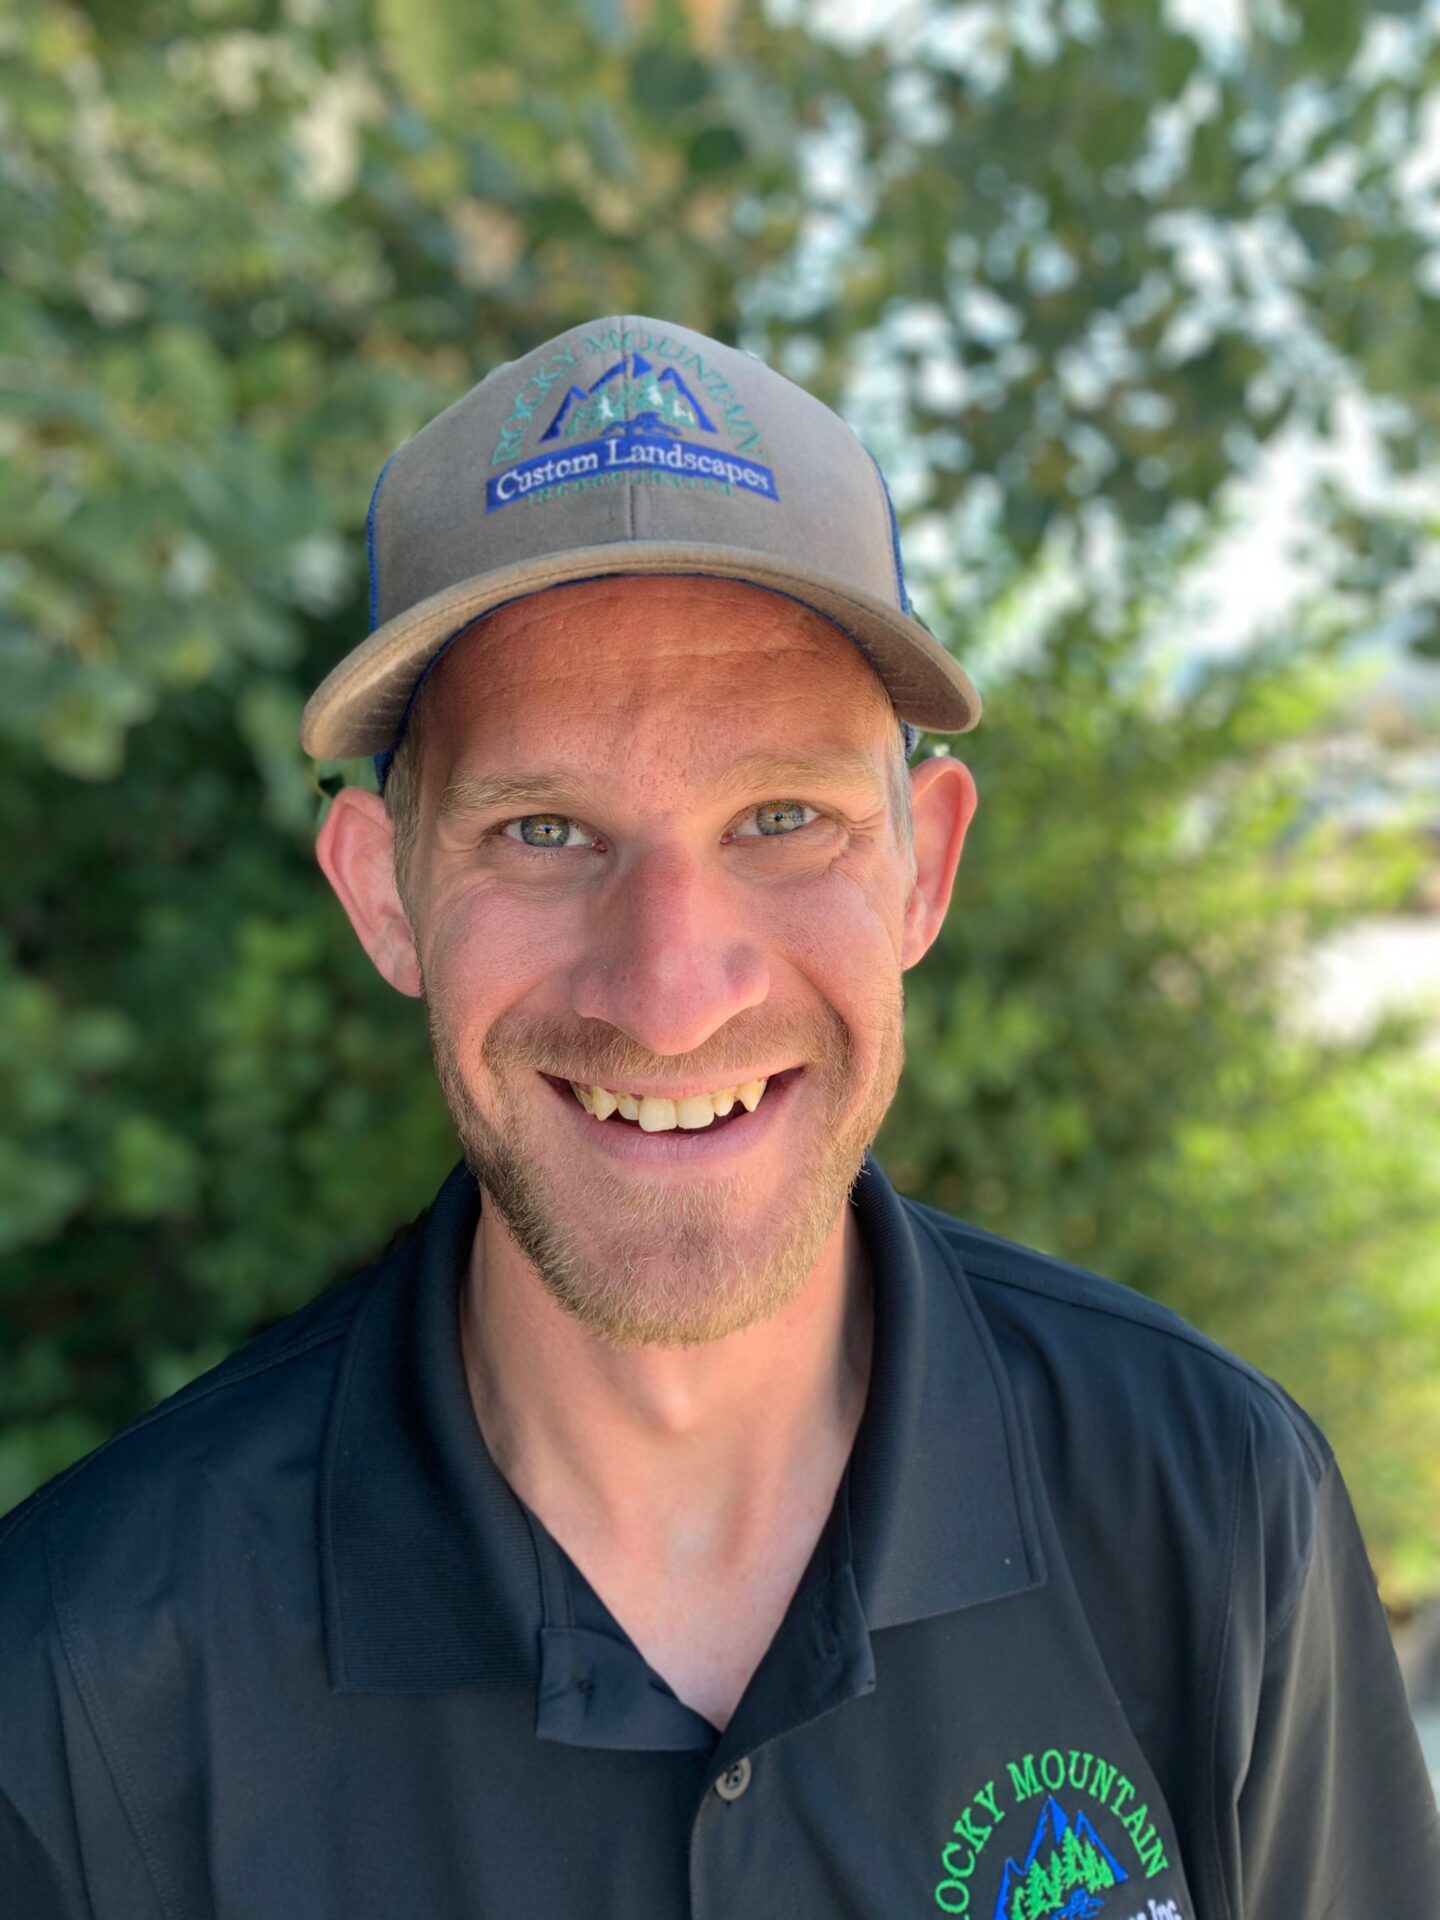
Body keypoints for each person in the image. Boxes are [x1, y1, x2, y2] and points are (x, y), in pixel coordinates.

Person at [1, 314, 1436, 1920]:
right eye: (544, 828)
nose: (671, 993)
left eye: (780, 818)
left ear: (925, 867)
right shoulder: (81, 1676)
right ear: (384, 897)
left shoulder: (1218, 1516)